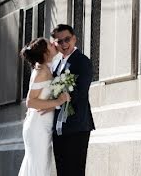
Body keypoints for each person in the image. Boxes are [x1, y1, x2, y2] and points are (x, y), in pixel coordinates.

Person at [18, 38, 71, 176]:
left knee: (40, 168)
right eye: (50, 43)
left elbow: (44, 98)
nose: (54, 43)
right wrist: (58, 102)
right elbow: (30, 102)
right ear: (45, 52)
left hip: (43, 126)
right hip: (37, 127)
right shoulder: (41, 71)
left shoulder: (47, 68)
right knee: (39, 169)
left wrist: (54, 105)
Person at [49, 24, 95, 176]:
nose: (64, 44)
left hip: (77, 125)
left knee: (75, 171)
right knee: (62, 171)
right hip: (59, 127)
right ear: (55, 43)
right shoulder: (56, 64)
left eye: (67, 39)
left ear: (74, 39)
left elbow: (81, 92)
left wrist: (62, 98)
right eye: (59, 41)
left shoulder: (82, 61)